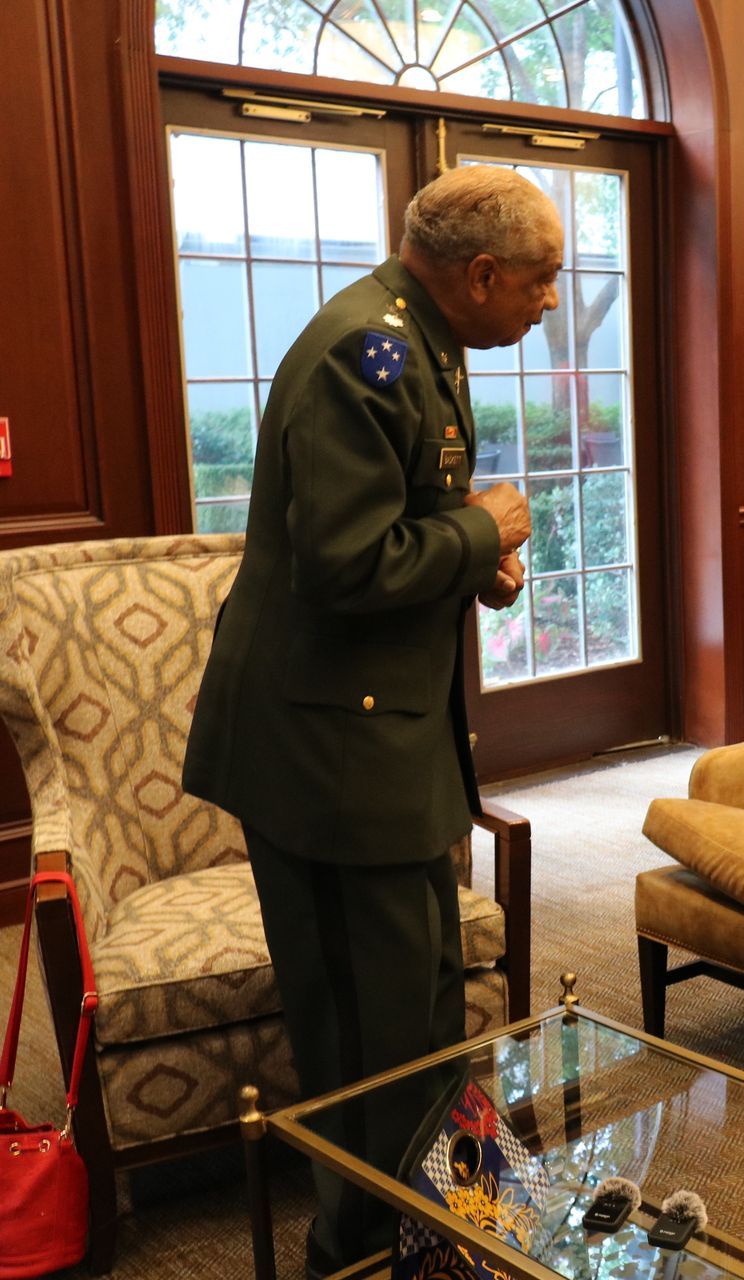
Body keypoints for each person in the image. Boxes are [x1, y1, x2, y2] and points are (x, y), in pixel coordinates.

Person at [182, 165, 560, 1275]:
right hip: (331, 758)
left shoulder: (417, 339)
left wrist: (465, 563)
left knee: (421, 1007)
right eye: (539, 282)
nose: (548, 303)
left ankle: (458, 1229)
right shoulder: (369, 351)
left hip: (375, 742)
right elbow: (348, 561)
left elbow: (392, 515)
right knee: (372, 1032)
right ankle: (378, 1250)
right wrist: (480, 538)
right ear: (480, 272)